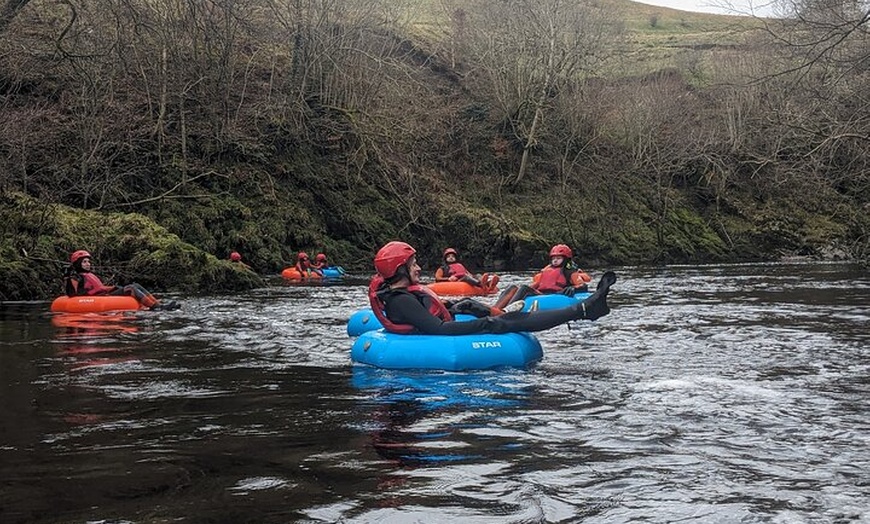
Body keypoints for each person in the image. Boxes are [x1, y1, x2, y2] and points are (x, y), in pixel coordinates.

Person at [368, 241, 615, 336]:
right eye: (413, 264)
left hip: (444, 320)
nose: (419, 268)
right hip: (437, 340)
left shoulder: (401, 295)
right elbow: (437, 329)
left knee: (472, 306)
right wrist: (485, 325)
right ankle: (583, 310)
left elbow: (429, 315)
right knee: (507, 322)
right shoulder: (400, 300)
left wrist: (455, 305)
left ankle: (584, 309)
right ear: (400, 269)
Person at [63, 250, 179, 311]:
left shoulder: (89, 275)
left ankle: (158, 304)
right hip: (96, 298)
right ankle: (155, 308)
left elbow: (100, 287)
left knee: (136, 285)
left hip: (103, 295)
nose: (88, 264)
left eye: (88, 261)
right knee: (131, 288)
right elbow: (72, 294)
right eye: (84, 262)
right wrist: (67, 277)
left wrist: (113, 287)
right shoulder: (76, 277)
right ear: (78, 263)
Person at [494, 244, 592, 309]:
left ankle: (507, 311)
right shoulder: (547, 270)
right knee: (513, 288)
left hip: (555, 294)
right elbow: (536, 284)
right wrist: (518, 291)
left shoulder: (569, 271)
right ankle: (495, 310)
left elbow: (582, 285)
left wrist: (574, 288)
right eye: (553, 258)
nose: (555, 261)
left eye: (558, 258)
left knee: (524, 289)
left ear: (566, 259)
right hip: (541, 293)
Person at [434, 247, 499, 291]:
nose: (451, 258)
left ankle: (488, 284)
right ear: (445, 259)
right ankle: (481, 284)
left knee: (478, 275)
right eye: (448, 256)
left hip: (464, 279)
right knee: (466, 277)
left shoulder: (459, 265)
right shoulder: (442, 268)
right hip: (456, 281)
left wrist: (474, 277)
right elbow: (437, 278)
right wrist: (448, 278)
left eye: (453, 256)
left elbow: (468, 274)